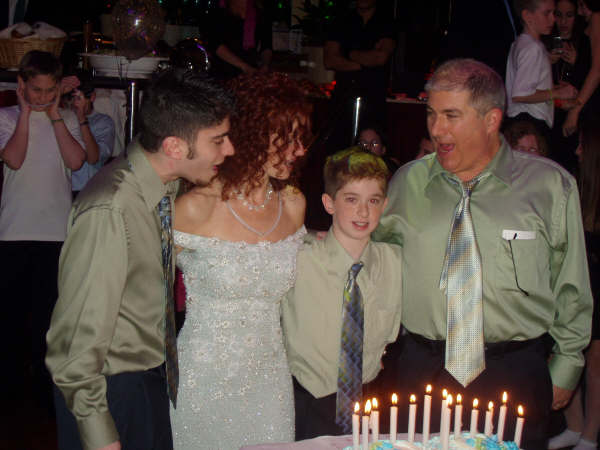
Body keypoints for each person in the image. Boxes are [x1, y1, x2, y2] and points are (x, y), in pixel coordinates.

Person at [373, 58, 593, 450]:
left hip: (514, 373)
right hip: (421, 372)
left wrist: (567, 364)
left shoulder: (549, 186)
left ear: (491, 119)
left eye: (451, 116)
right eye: (431, 114)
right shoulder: (408, 183)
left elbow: (572, 284)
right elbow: (375, 267)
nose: (436, 129)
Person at [45, 68, 236, 450]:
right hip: (108, 391)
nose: (229, 149)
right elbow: (74, 341)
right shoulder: (110, 209)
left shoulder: (164, 185)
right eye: (218, 140)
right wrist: (100, 434)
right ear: (174, 147)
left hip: (149, 379)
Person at [169, 72, 312, 450]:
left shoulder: (293, 204)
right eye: (287, 138)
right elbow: (140, 291)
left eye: (301, 138)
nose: (299, 150)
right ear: (251, 134)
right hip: (202, 379)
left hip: (270, 381)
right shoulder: (194, 208)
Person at [281, 147, 402, 440]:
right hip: (308, 402)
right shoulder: (297, 258)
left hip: (370, 403)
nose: (363, 211)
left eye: (373, 200)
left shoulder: (395, 261)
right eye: (351, 199)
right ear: (329, 203)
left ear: (385, 205)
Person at [0, 50, 85, 410]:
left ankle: (42, 389)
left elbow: (77, 161)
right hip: (13, 230)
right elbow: (14, 158)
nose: (44, 96)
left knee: (48, 316)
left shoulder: (65, 118)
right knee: (10, 313)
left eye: (51, 90)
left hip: (56, 232)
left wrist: (56, 117)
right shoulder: (6, 117)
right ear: (22, 85)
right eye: (36, 89)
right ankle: (9, 386)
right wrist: (24, 113)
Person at [548, 114, 600, 450]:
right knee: (566, 353)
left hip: (596, 286)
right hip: (579, 282)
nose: (577, 151)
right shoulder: (576, 187)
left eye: (583, 145)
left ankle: (591, 435)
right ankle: (575, 426)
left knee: (594, 365)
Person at [324, 0, 396, 145]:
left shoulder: (387, 22)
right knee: (338, 147)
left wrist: (347, 53)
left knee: (371, 149)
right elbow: (330, 61)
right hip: (343, 97)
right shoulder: (341, 21)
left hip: (374, 98)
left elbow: (380, 58)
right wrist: (366, 63)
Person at [506, 0, 578, 136]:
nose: (553, 19)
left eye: (553, 13)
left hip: (523, 120)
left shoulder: (519, 44)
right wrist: (557, 93)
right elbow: (520, 94)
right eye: (547, 13)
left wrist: (555, 91)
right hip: (530, 121)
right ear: (527, 16)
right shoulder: (533, 48)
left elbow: (528, 87)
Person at [67, 80, 116, 197]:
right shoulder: (63, 117)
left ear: (92, 97)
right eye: (71, 98)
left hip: (86, 190)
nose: (74, 103)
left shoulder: (103, 122)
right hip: (62, 188)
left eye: (78, 98)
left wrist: (81, 119)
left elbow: (93, 158)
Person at [205, 0, 272, 80]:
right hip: (222, 73)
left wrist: (265, 65)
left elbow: (266, 45)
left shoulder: (259, 11)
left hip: (250, 74)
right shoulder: (219, 9)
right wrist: (244, 66)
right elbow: (215, 44)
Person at [562, 0, 600, 136]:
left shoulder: (597, 17)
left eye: (582, 5)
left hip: (590, 106)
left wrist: (574, 111)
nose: (579, 12)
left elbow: (597, 70)